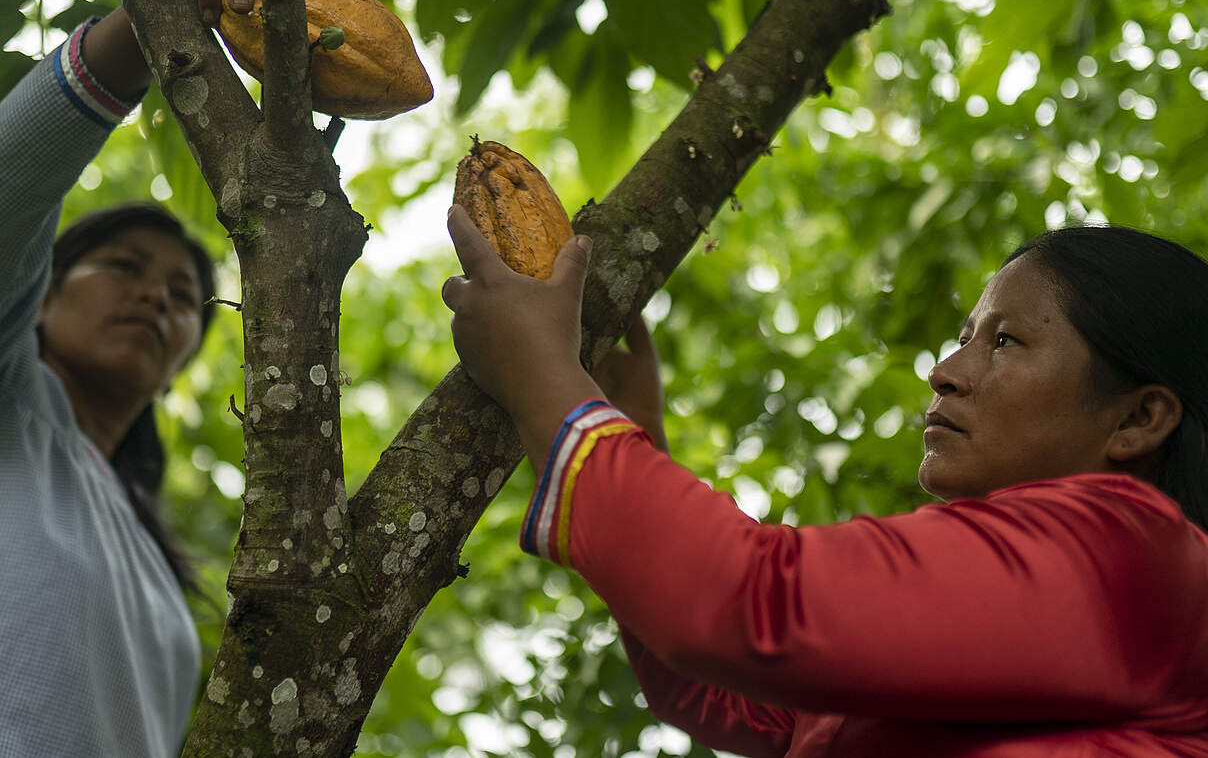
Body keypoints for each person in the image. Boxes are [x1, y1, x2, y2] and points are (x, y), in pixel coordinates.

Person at [442, 206, 1208, 756]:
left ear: (1139, 418)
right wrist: (630, 429)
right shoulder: (1036, 610)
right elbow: (741, 695)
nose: (944, 372)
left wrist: (540, 376)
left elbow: (747, 605)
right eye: (964, 337)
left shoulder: (1139, 561)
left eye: (1004, 341)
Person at [0, 0, 347, 757]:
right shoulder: (15, 415)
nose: (157, 296)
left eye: (185, 297)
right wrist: (154, 13)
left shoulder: (151, 554)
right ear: (41, 294)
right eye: (123, 266)